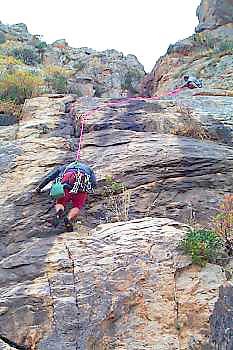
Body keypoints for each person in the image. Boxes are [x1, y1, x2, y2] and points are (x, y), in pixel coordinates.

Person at [35, 161, 96, 232]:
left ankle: (59, 211)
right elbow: (93, 183)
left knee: (60, 202)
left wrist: (39, 188)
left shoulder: (64, 168)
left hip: (65, 187)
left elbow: (49, 178)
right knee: (77, 206)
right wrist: (88, 190)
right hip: (80, 190)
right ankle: (68, 218)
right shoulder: (88, 169)